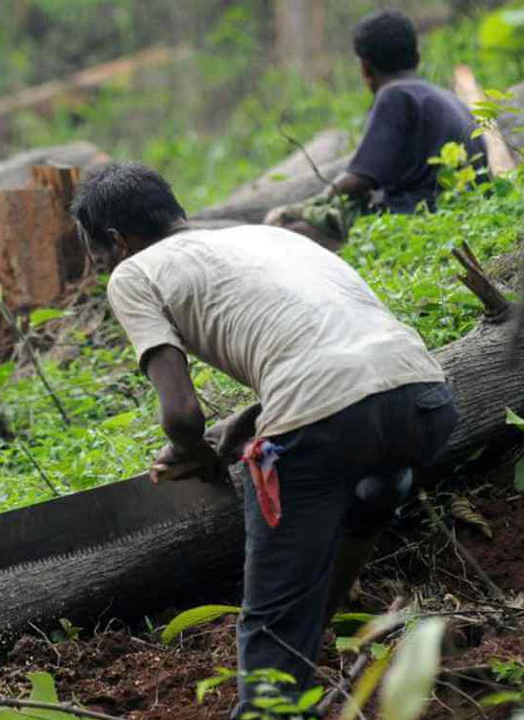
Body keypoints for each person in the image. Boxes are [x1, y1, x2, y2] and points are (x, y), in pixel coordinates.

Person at [73, 163, 458, 711]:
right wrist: (254, 414)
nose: (102, 266)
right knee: (377, 484)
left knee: (270, 630)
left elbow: (182, 415)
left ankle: (272, 694)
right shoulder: (269, 237)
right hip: (425, 400)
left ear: (116, 240)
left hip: (327, 423)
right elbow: (339, 342)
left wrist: (188, 452)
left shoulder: (134, 273)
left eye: (99, 255)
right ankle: (331, 599)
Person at [266, 9, 486, 249]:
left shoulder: (394, 95)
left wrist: (311, 204)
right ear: (417, 56)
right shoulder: (447, 96)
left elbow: (359, 179)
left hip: (419, 218)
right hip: (465, 210)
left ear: (365, 68)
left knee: (285, 230)